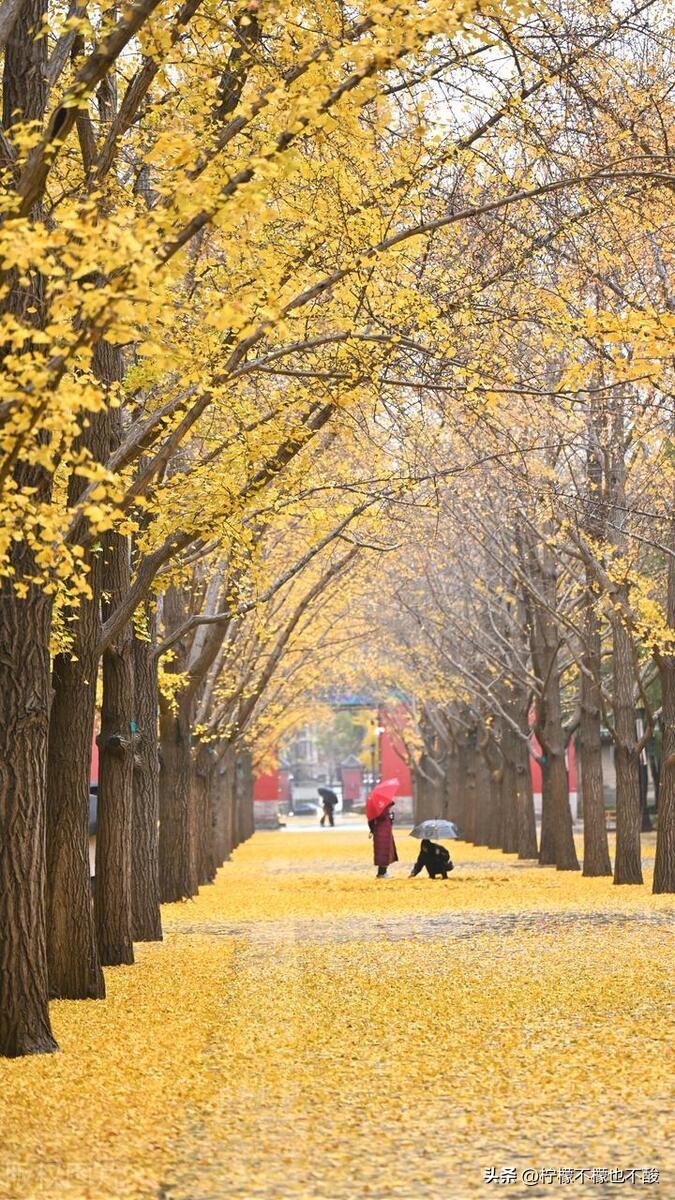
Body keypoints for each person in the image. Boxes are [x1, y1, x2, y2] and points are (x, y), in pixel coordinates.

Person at [369, 801, 398, 878]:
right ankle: (382, 873)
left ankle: (382, 872)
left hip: (379, 830)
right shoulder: (384, 809)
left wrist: (372, 829)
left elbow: (370, 821)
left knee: (382, 852)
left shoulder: (374, 808)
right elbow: (384, 818)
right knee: (384, 852)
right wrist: (389, 818)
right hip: (384, 831)